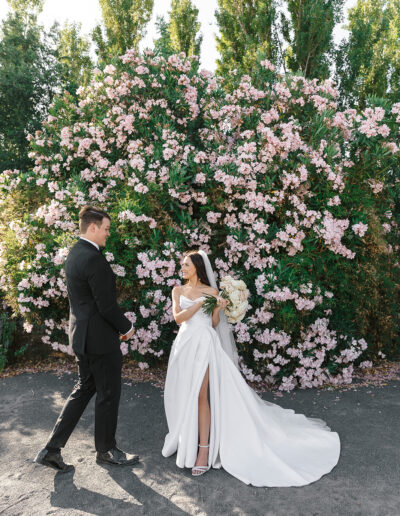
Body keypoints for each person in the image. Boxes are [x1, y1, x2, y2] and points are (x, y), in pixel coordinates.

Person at [162, 250, 341, 487]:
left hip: (204, 343)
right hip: (184, 345)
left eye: (186, 265)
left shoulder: (212, 291)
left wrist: (216, 308)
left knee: (201, 395)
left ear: (197, 267)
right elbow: (178, 318)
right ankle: (187, 439)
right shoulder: (178, 290)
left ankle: (203, 450)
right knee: (185, 393)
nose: (182, 268)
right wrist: (198, 304)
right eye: (182, 265)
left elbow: (214, 323)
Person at [34, 205, 139, 472]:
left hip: (82, 338)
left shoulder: (74, 254)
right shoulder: (93, 258)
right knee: (108, 394)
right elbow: (106, 306)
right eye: (105, 229)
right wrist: (127, 327)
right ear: (92, 228)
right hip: (101, 342)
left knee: (84, 391)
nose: (108, 234)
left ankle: (51, 449)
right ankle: (105, 451)